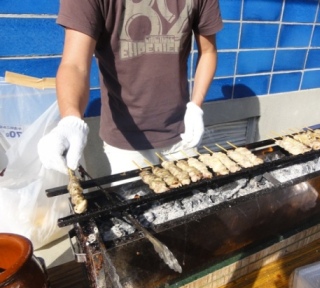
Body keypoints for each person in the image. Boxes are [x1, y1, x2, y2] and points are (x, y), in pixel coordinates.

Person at [38, 0, 223, 175]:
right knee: (135, 206)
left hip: (181, 133)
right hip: (125, 141)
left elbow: (208, 51)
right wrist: (70, 118)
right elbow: (75, 64)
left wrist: (196, 106)